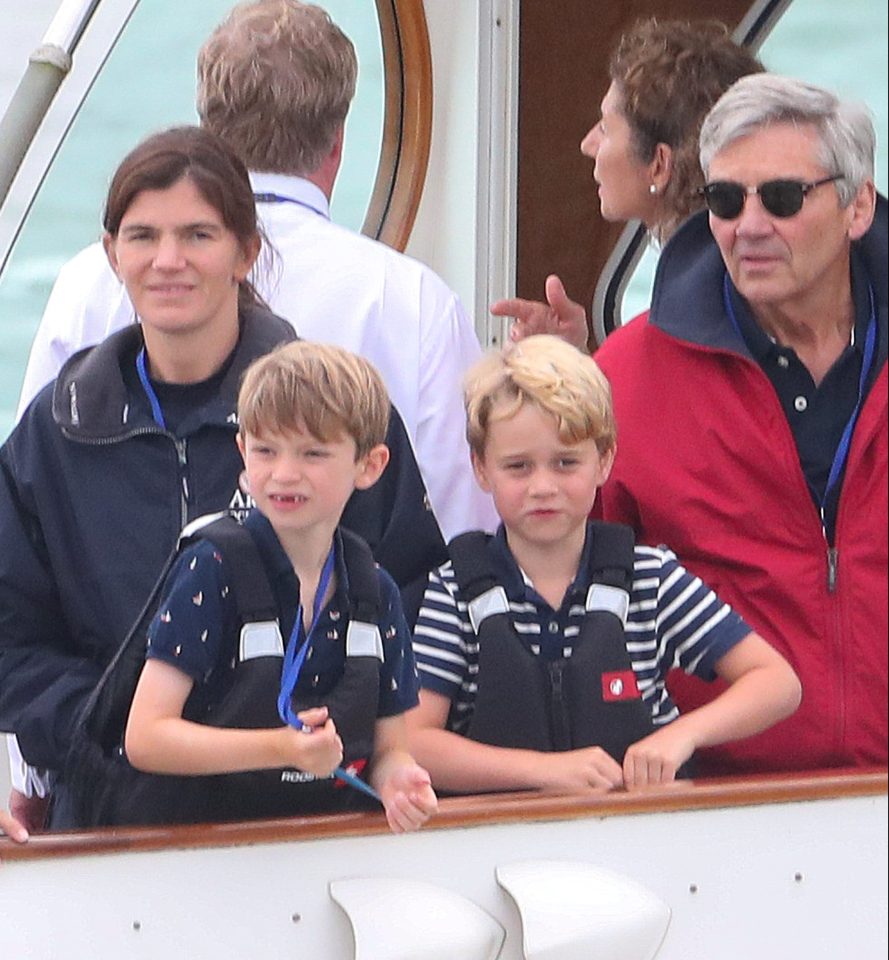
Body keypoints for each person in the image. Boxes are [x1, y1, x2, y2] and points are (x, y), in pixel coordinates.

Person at [0, 126, 445, 829]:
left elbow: (409, 591)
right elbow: (12, 631)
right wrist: (99, 732)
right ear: (112, 254)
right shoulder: (56, 432)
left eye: (198, 235)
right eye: (142, 236)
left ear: (245, 252)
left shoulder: (338, 417)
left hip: (311, 814)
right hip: (116, 817)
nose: (167, 260)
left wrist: (363, 744)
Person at [17, 0, 496, 544]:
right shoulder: (412, 301)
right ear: (338, 140)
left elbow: (32, 503)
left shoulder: (91, 280)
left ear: (207, 132)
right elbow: (462, 529)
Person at [594, 74, 887, 775]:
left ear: (857, 208)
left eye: (782, 198)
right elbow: (573, 597)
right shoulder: (624, 377)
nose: (748, 225)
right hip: (711, 804)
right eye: (725, 200)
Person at [406, 336, 801, 794]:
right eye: (518, 467)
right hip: (501, 843)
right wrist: (545, 771)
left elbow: (777, 682)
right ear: (481, 468)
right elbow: (412, 743)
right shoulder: (456, 590)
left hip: (635, 839)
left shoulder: (651, 578)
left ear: (604, 460)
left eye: (565, 462)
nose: (543, 486)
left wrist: (681, 736)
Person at [124, 340, 437, 832]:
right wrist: (281, 748)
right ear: (243, 452)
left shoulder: (376, 591)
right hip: (198, 855)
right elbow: (146, 736)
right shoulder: (211, 570)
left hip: (317, 853)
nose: (285, 473)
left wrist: (398, 779)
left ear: (370, 465)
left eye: (313, 453)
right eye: (267, 450)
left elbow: (389, 746)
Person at [491, 17, 763, 347]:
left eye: (605, 127)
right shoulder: (740, 286)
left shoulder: (691, 313)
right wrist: (574, 357)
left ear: (659, 166)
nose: (587, 144)